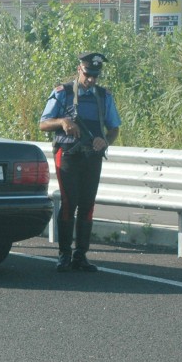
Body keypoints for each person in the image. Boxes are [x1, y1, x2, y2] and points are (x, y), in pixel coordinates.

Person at [39, 51, 121, 273]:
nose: (92, 79)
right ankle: (64, 254)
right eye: (88, 74)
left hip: (91, 157)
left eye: (96, 75)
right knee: (69, 202)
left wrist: (104, 141)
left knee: (87, 204)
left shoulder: (104, 96)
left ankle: (80, 255)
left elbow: (114, 129)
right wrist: (62, 122)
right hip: (67, 154)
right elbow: (43, 123)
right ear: (79, 70)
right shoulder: (62, 93)